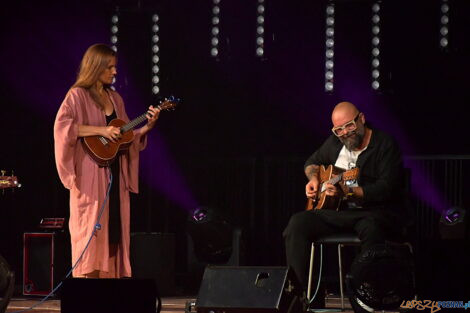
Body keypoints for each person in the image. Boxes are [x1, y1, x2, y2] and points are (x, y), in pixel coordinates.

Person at [283, 101, 406, 307]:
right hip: (339, 213)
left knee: (371, 228)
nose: (345, 133)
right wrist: (314, 179)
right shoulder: (334, 142)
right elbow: (311, 163)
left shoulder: (385, 144)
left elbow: (386, 188)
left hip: (373, 212)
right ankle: (297, 297)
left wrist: (349, 192)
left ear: (362, 119)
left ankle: (367, 297)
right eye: (338, 129)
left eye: (349, 125)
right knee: (298, 223)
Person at [54, 44, 160, 278]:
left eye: (115, 67)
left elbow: (124, 137)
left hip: (114, 175)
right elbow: (64, 127)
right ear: (96, 67)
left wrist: (147, 126)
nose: (114, 72)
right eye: (109, 67)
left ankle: (108, 288)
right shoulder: (77, 95)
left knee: (113, 232)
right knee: (90, 230)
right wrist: (100, 130)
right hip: (89, 176)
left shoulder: (115, 98)